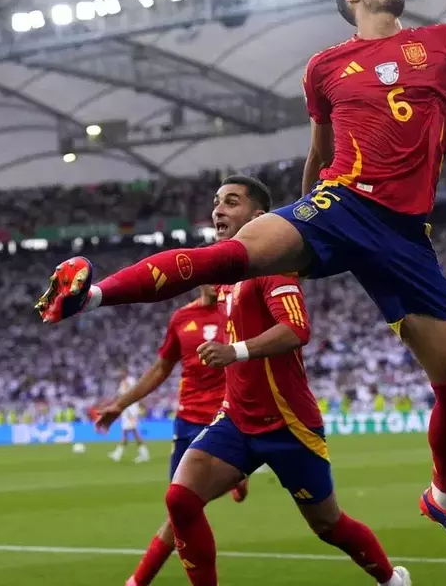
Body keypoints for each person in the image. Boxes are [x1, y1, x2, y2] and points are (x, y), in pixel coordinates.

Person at [34, 0, 446, 561]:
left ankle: (444, 496)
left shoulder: (444, 42)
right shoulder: (325, 67)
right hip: (341, 202)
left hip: (405, 235)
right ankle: (90, 295)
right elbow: (319, 151)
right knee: (234, 253)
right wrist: (295, 218)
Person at [155, 176, 412, 585]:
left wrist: (234, 352)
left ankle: (390, 579)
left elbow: (297, 329)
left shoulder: (273, 267)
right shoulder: (225, 277)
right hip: (237, 420)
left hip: (287, 423)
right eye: (217, 202)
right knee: (180, 499)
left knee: (328, 525)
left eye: (231, 202)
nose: (218, 210)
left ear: (258, 217)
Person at [94, 284, 248, 586]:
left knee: (188, 507)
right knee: (180, 512)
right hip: (187, 423)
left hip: (225, 421)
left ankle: (137, 580)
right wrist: (120, 404)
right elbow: (160, 368)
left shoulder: (236, 311)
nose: (213, 281)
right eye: (208, 273)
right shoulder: (181, 318)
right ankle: (138, 581)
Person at [108, 369, 150, 463]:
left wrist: (138, 407)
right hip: (126, 409)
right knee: (127, 432)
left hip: (131, 409)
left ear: (125, 372)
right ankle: (119, 453)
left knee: (133, 431)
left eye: (122, 372)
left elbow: (134, 392)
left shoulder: (130, 381)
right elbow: (120, 396)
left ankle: (143, 454)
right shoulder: (122, 383)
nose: (120, 374)